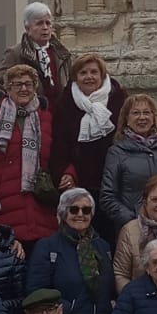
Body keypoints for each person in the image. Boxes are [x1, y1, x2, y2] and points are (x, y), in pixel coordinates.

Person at [0, 62, 56, 245]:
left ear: (35, 87)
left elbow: (61, 154)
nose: (23, 88)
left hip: (41, 209)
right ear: (8, 88)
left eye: (28, 84)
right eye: (17, 84)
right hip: (3, 206)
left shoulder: (47, 117)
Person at [21, 186, 116, 314]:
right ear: (64, 213)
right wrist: (67, 309)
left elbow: (109, 288)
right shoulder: (47, 246)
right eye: (74, 209)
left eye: (86, 210)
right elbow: (36, 291)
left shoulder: (102, 246)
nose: (80, 214)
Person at [51, 52, 127, 204]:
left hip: (114, 181)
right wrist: (66, 172)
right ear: (75, 78)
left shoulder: (119, 100)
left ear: (102, 75)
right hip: (79, 182)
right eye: (83, 73)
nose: (89, 77)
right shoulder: (65, 104)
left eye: (94, 72)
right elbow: (59, 144)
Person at [99, 93, 157, 243]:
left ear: (154, 118)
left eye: (146, 112)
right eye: (136, 113)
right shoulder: (117, 152)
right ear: (126, 119)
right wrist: (132, 220)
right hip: (133, 231)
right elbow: (107, 197)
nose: (142, 117)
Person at [0, 0, 72, 106]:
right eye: (39, 23)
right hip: (29, 115)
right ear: (27, 28)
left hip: (60, 117)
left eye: (48, 23)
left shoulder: (62, 54)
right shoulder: (15, 53)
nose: (45, 27)